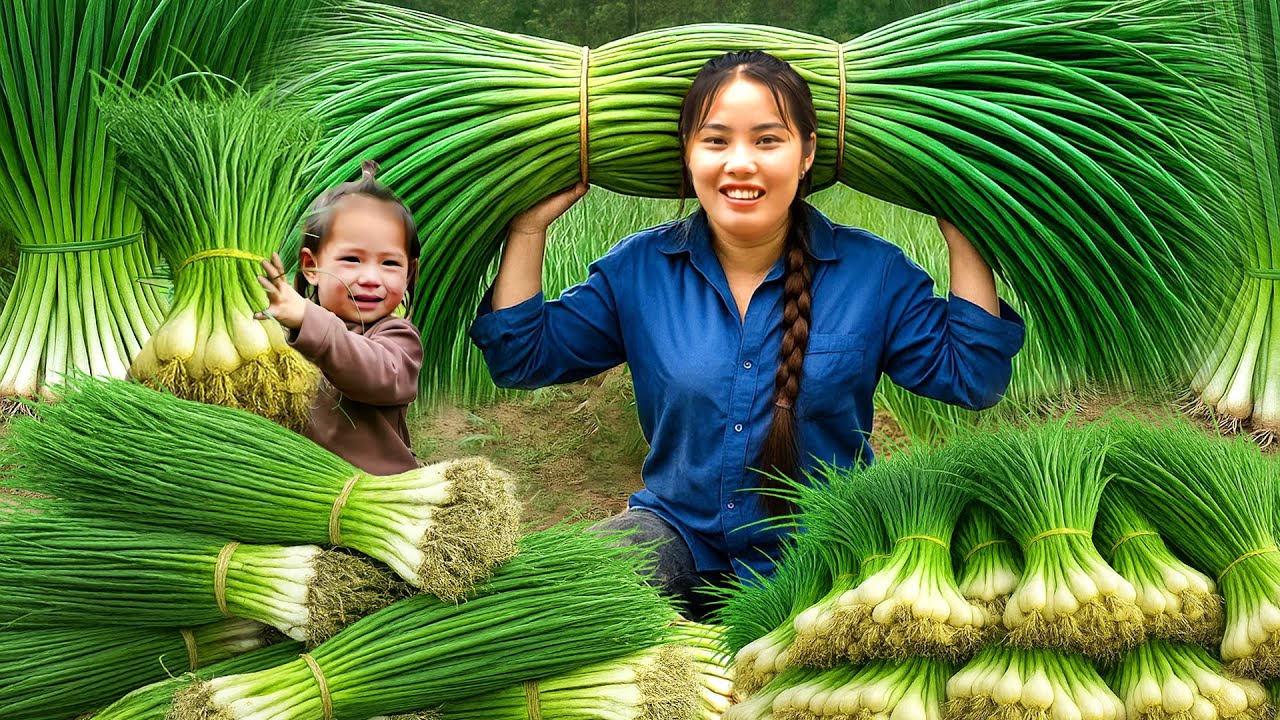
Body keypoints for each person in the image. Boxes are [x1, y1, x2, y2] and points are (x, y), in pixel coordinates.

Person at [470, 51, 1025, 618]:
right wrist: (528, 227)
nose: (740, 163)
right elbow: (521, 356)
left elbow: (973, 377)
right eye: (716, 141)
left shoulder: (872, 274)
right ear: (687, 152)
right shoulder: (640, 271)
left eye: (767, 140)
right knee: (552, 603)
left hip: (831, 555)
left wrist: (964, 228)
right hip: (680, 540)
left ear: (806, 152)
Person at [255, 160, 423, 475]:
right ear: (310, 266)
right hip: (302, 495)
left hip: (378, 496)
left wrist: (307, 319)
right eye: (351, 259)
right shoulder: (286, 332)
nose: (372, 277)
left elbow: (378, 374)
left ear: (409, 271)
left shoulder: (397, 337)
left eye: (389, 263)